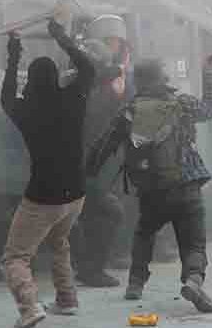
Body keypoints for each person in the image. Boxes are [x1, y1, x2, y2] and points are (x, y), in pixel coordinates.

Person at [86, 27, 212, 313]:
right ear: (163, 79)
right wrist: (208, 72)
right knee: (193, 241)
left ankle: (135, 283)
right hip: (186, 184)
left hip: (151, 188)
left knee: (144, 232)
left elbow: (104, 145)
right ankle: (193, 280)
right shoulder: (182, 104)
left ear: (138, 81)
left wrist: (88, 174)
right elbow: (210, 108)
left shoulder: (129, 110)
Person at [0, 19, 95, 328]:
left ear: (31, 81)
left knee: (15, 257)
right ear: (56, 77)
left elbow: (6, 94)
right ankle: (67, 299)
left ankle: (29, 309)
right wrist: (61, 37)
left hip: (43, 195)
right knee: (59, 240)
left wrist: (14, 52)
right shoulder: (74, 99)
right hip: (76, 193)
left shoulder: (25, 110)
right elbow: (88, 68)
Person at [70, 15, 130, 288]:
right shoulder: (88, 83)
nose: (114, 47)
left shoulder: (107, 79)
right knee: (106, 212)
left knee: (95, 213)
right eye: (109, 42)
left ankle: (88, 266)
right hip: (83, 159)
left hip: (98, 158)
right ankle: (90, 269)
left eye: (117, 42)